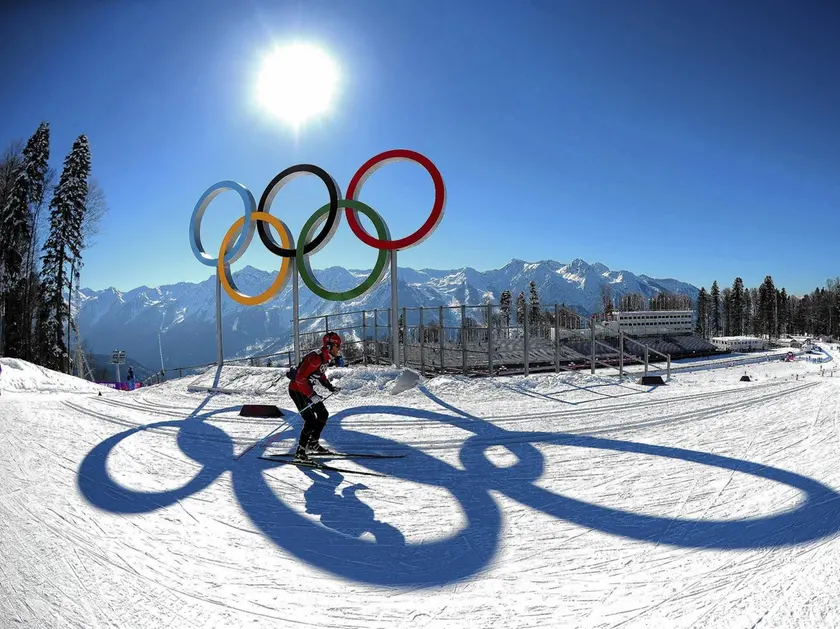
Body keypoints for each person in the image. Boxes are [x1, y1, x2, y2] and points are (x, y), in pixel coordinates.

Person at [287, 331, 343, 461]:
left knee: (323, 414)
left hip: (306, 389)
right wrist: (311, 395)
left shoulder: (325, 358)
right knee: (310, 419)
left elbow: (320, 374)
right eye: (337, 345)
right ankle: (300, 452)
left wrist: (330, 387)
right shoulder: (315, 358)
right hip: (297, 389)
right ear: (329, 346)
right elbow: (300, 378)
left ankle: (313, 443)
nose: (339, 348)